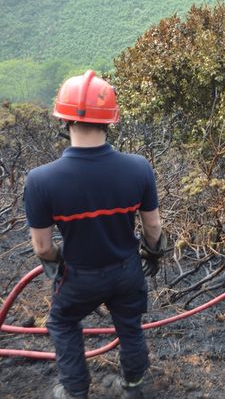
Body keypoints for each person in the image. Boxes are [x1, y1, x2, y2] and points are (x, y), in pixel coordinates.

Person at [24, 70, 166, 399]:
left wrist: (59, 261)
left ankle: (74, 391)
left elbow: (42, 247)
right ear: (110, 121)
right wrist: (153, 253)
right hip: (126, 272)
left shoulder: (40, 180)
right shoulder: (139, 167)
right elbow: (154, 228)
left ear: (64, 120)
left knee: (61, 322)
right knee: (129, 325)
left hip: (79, 276)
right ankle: (133, 386)